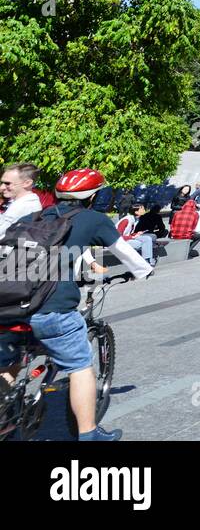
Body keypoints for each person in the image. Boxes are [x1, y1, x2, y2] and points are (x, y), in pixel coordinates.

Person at [0, 169, 153, 441]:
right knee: (80, 366)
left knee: (8, 361)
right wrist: (144, 271)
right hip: (52, 309)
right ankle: (88, 434)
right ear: (92, 197)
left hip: (8, 306)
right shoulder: (93, 219)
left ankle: (7, 415)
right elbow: (129, 256)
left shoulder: (30, 218)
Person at [0, 162, 44, 238]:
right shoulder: (21, 203)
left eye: (7, 183)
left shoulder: (23, 207)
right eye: (2, 183)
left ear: (27, 183)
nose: (1, 187)